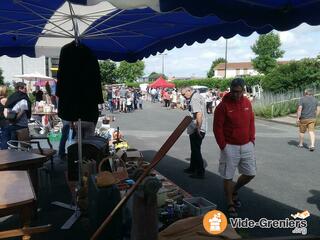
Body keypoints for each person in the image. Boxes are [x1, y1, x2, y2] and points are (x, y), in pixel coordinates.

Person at [213, 78, 256, 217]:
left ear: (243, 90)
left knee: (250, 173)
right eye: (233, 91)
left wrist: (252, 139)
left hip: (247, 145)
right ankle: (230, 202)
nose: (235, 94)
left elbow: (251, 122)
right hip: (229, 146)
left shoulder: (247, 103)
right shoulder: (222, 106)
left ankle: (234, 189)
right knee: (228, 176)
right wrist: (223, 146)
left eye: (238, 92)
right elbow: (217, 128)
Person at [181, 86, 207, 179]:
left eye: (184, 94)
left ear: (189, 90)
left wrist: (198, 128)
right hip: (197, 127)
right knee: (194, 149)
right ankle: (192, 168)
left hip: (197, 128)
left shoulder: (194, 98)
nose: (183, 96)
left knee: (196, 150)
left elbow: (199, 114)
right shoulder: (197, 96)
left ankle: (200, 172)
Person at [3, 82, 31, 149]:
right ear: (20, 88)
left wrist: (10, 120)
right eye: (25, 88)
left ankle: (13, 158)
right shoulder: (24, 98)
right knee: (25, 147)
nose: (26, 90)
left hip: (12, 125)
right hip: (22, 126)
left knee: (13, 146)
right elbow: (22, 112)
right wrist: (15, 120)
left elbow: (6, 109)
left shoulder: (11, 97)